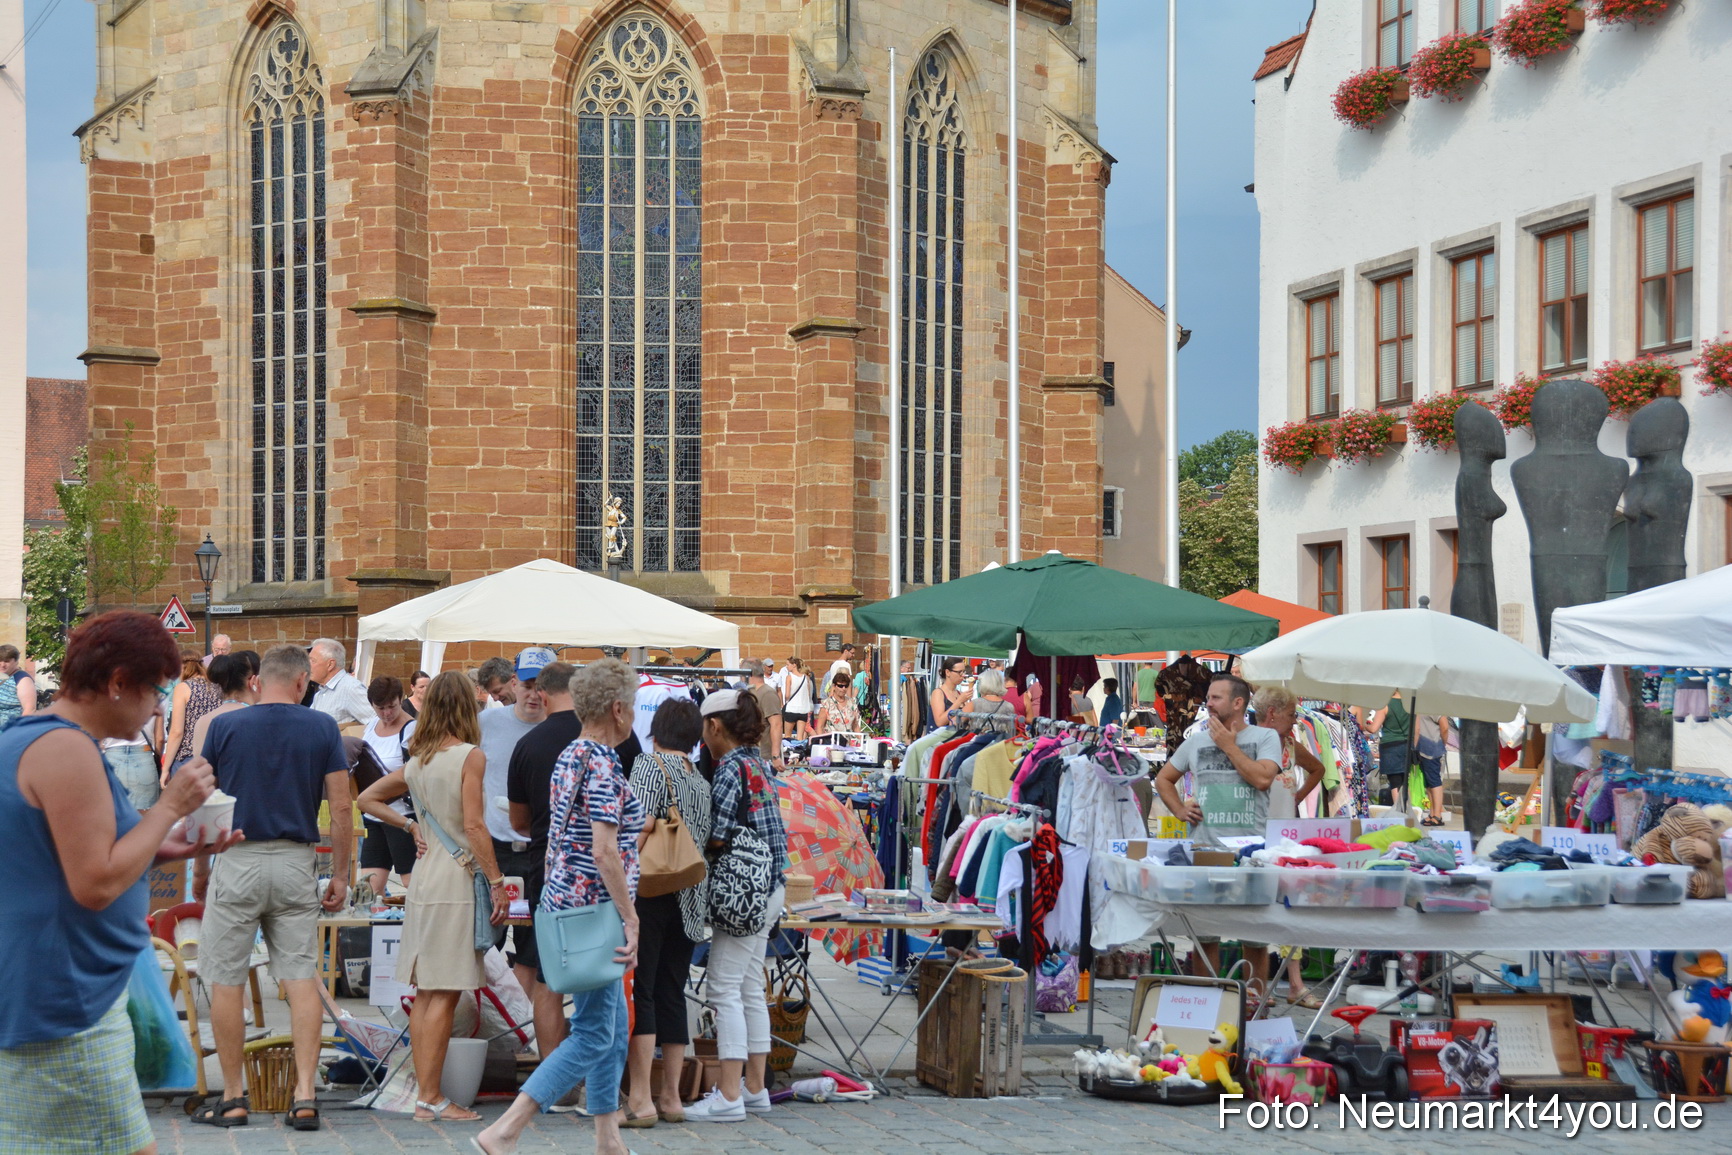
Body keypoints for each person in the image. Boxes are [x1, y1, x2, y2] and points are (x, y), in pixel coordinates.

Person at [0, 611, 243, 1155]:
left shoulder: (29, 737)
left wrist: (164, 847)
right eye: (157, 690)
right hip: (66, 999)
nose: (160, 706)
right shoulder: (66, 750)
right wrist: (171, 806)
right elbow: (96, 883)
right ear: (115, 684)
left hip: (47, 988)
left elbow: (59, 856)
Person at [474, 659, 643, 1155]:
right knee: (594, 1033)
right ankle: (505, 1129)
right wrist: (630, 917)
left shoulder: (571, 754)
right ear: (617, 708)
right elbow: (603, 850)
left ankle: (608, 1138)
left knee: (608, 1029)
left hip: (563, 903)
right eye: (630, 706)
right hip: (594, 912)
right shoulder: (604, 762)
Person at [194, 644, 353, 1129]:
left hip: (237, 856)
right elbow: (342, 808)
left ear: (259, 680)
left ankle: (235, 1097)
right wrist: (342, 874)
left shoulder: (225, 725)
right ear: (303, 682)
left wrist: (202, 871)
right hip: (294, 860)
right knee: (301, 977)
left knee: (226, 976)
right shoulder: (322, 726)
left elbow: (206, 802)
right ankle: (304, 1095)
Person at [357, 671, 506, 1123]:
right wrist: (497, 881)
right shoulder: (469, 756)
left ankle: (427, 1096)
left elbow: (367, 798)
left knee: (427, 994)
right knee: (442, 993)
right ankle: (430, 1099)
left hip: (425, 878)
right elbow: (476, 826)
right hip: (455, 882)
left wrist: (410, 825)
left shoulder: (417, 759)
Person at [684, 689, 787, 1123]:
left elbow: (719, 834)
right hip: (769, 888)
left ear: (714, 725)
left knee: (723, 988)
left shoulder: (728, 768)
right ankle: (754, 1088)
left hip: (744, 892)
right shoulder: (757, 762)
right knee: (747, 988)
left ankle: (728, 1096)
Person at [1155, 674, 1281, 991]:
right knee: (1204, 938)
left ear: (1238, 703)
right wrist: (1180, 809)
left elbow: (1262, 780)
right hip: (1205, 852)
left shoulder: (1265, 738)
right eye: (1208, 697)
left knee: (1253, 939)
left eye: (1215, 698)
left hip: (1251, 855)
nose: (1207, 703)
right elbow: (1163, 779)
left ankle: (1253, 1008)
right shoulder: (1196, 741)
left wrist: (1228, 745)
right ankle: (1207, 1004)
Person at [622, 698, 712, 1127]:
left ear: (655, 730)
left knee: (644, 991)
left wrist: (619, 879)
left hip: (651, 893)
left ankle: (640, 1099)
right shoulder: (701, 780)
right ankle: (672, 1097)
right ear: (694, 738)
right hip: (690, 897)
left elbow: (638, 827)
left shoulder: (649, 767)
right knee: (673, 991)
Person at [504, 661, 584, 1060]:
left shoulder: (529, 745)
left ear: (546, 695)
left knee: (546, 976)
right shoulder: (610, 739)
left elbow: (519, 822)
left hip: (547, 868)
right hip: (602, 872)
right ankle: (605, 1076)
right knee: (601, 976)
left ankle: (553, 1075)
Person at [1247, 685, 1330, 1009]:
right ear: (1272, 713)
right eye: (1292, 714)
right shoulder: (1251, 741)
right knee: (1256, 907)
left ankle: (1294, 983)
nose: (1296, 720)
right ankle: (1256, 985)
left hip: (1284, 836)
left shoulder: (1290, 745)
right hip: (1254, 835)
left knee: (1289, 903)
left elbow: (1319, 770)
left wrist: (1296, 797)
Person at [479, 649, 551, 966]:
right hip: (494, 850)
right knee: (484, 943)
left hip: (538, 851)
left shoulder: (561, 730)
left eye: (542, 686)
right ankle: (491, 1013)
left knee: (531, 953)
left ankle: (525, 1015)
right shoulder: (486, 722)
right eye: (527, 684)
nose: (534, 694)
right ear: (513, 683)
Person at [357, 675, 418, 900]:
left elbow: (416, 774)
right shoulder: (372, 725)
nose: (386, 714)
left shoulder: (411, 729)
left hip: (402, 814)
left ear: (400, 699)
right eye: (380, 708)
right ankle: (375, 928)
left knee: (410, 880)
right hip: (374, 815)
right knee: (371, 884)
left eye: (391, 707)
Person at [162, 653, 221, 782]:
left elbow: (177, 732)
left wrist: (165, 768)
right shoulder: (216, 686)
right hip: (212, 756)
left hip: (188, 756)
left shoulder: (183, 688)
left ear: (182, 668)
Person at [309, 638, 376, 731]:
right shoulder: (320, 694)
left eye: (313, 661)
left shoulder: (351, 688)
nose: (308, 665)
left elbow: (376, 724)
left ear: (330, 664)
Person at [742, 658, 784, 765]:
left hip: (764, 757)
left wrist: (775, 756)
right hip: (750, 754)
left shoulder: (767, 693)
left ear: (747, 674)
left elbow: (777, 724)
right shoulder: (748, 691)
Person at [812, 670, 862, 735]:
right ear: (834, 686)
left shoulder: (852, 703)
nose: (843, 688)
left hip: (850, 742)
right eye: (840, 686)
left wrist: (861, 741)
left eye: (846, 686)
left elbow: (855, 726)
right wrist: (821, 741)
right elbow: (820, 726)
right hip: (832, 741)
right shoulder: (827, 704)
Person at [0, 643, 37, 728]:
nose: (2, 665)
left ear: (16, 661)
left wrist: (17, 732)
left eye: (7, 661)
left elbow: (30, 710)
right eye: (0, 660)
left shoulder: (22, 679)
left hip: (9, 730)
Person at [778, 656, 814, 740]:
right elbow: (808, 694)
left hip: (792, 708)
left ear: (794, 665)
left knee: (787, 736)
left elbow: (787, 695)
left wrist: (786, 700)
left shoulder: (789, 677)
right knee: (800, 737)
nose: (786, 666)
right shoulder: (806, 677)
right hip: (803, 710)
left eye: (788, 664)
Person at [929, 657, 972, 726]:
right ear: (947, 672)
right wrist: (959, 701)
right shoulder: (938, 693)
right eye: (959, 672)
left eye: (964, 671)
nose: (963, 675)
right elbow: (939, 722)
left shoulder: (959, 693)